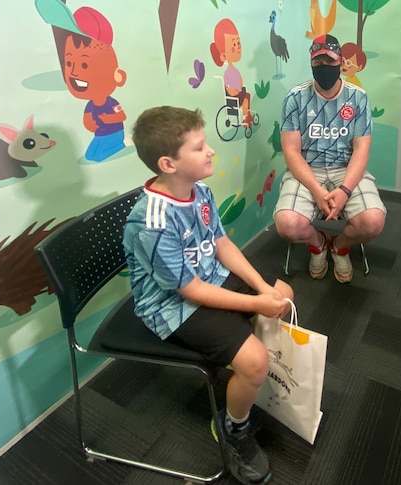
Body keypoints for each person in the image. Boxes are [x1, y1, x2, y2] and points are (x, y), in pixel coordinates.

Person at [124, 106, 294, 485]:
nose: (211, 151)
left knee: (283, 292)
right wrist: (256, 303)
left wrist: (265, 291)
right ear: (168, 163)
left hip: (206, 278)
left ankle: (249, 374)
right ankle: (233, 428)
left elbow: (220, 243)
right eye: (200, 147)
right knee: (254, 360)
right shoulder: (151, 222)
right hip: (172, 306)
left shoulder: (198, 189)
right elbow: (190, 290)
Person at [273, 34, 386, 283]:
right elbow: (291, 151)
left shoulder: (358, 98)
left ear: (341, 62)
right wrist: (315, 189)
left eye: (329, 60)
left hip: (345, 169)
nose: (324, 67)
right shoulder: (295, 98)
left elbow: (361, 150)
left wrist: (344, 190)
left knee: (373, 221)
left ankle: (340, 246)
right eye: (317, 62)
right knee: (287, 224)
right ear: (311, 63)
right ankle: (318, 243)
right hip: (307, 170)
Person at [62, 7, 128, 162]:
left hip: (115, 132)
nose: (75, 72)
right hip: (101, 134)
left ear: (118, 77)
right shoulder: (90, 105)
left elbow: (122, 116)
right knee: (90, 155)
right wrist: (89, 124)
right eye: (70, 63)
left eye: (84, 65)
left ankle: (122, 144)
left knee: (95, 156)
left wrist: (109, 119)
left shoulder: (112, 102)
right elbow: (87, 120)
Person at [210, 19, 254, 128]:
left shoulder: (233, 70)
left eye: (238, 43)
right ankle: (246, 117)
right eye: (234, 44)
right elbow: (228, 86)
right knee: (247, 97)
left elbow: (240, 82)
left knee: (246, 94)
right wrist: (233, 90)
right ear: (223, 56)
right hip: (233, 96)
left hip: (236, 93)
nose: (238, 47)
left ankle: (246, 116)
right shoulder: (228, 72)